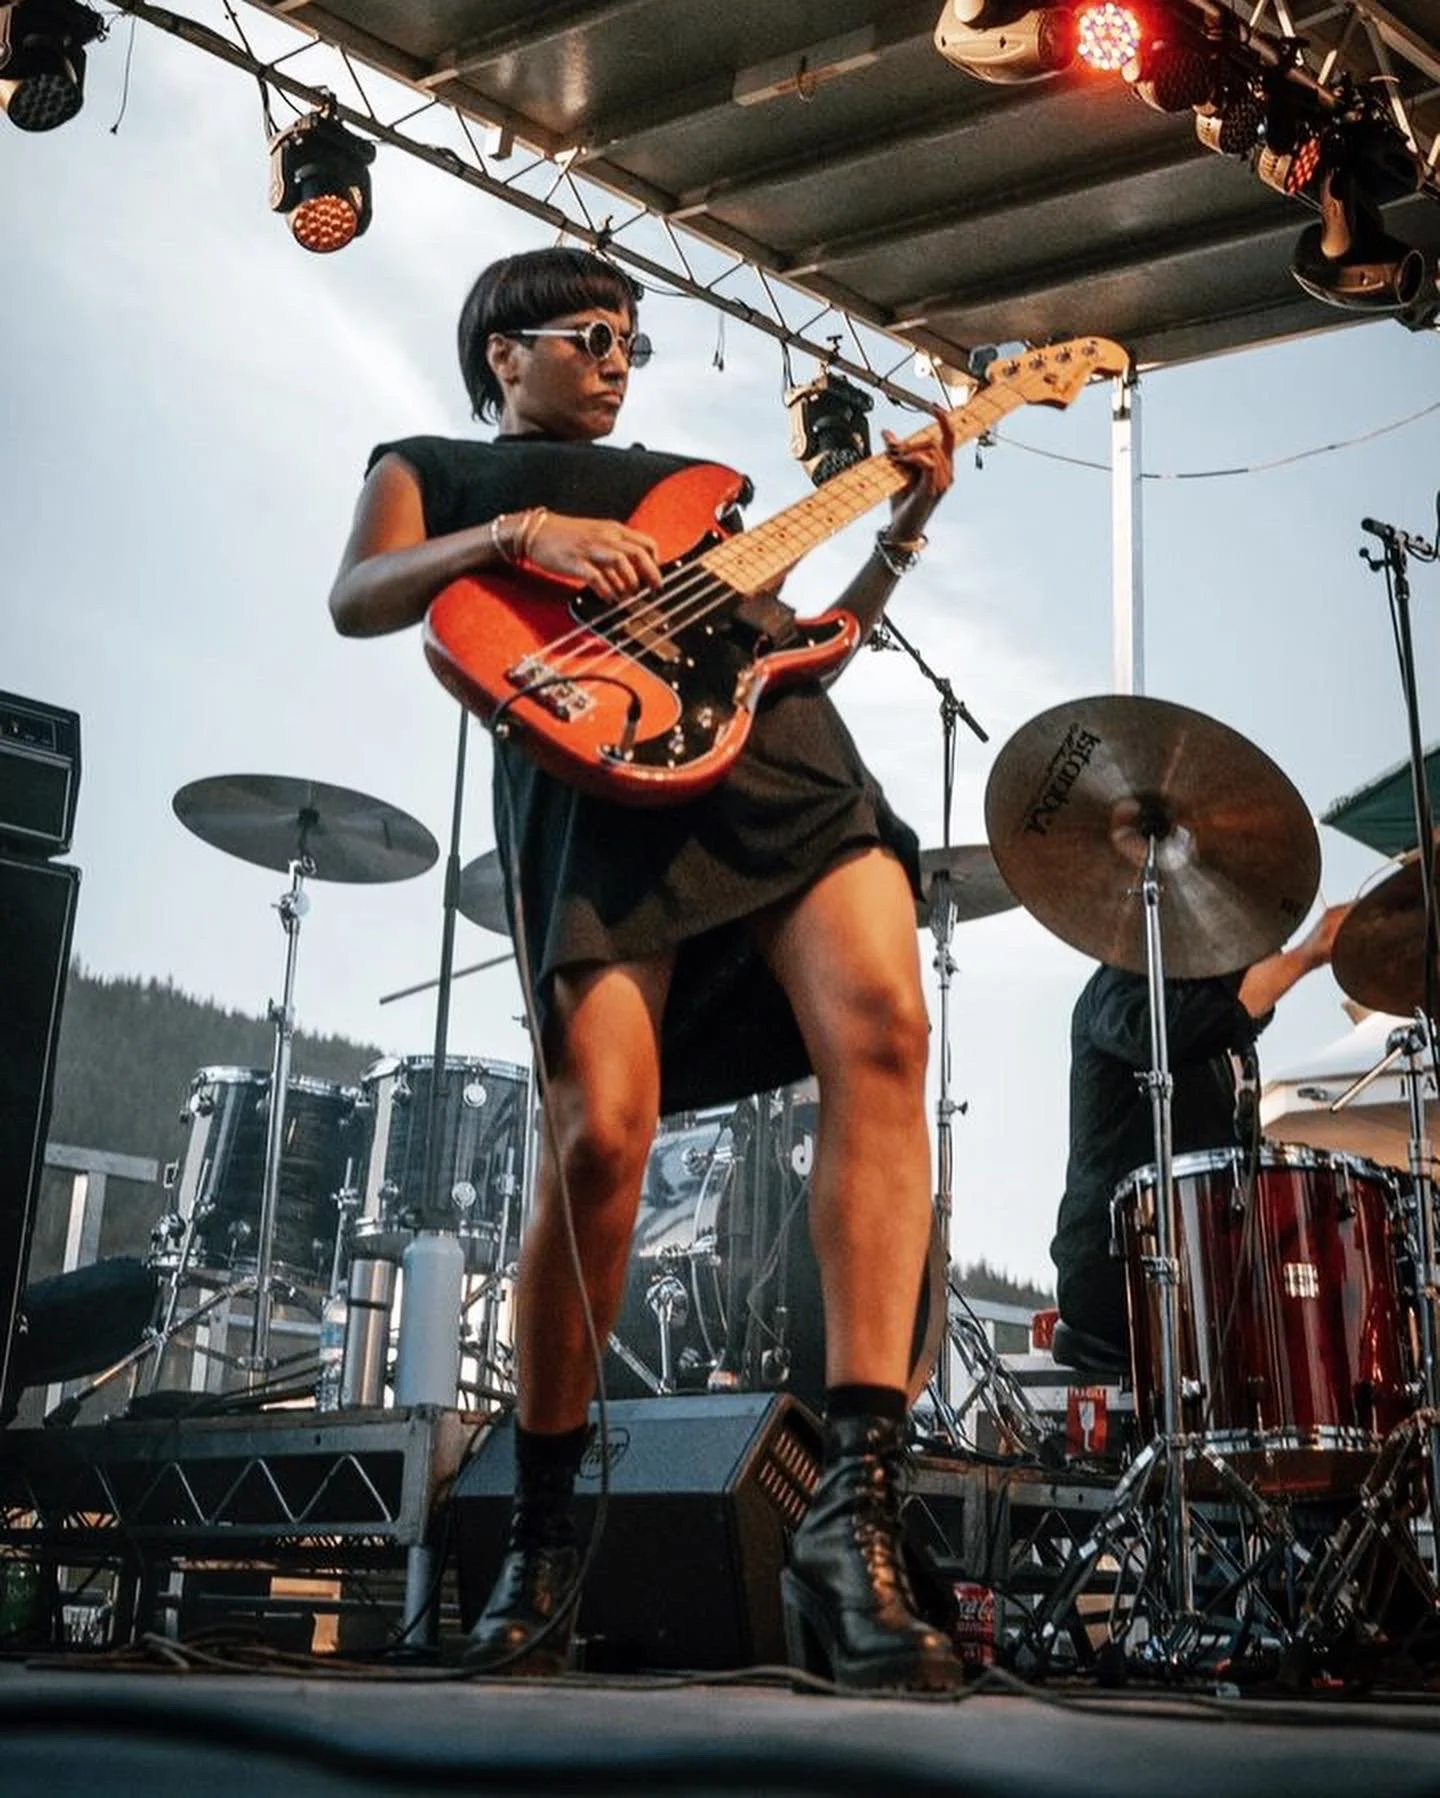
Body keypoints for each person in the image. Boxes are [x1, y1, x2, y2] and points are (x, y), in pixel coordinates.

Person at [328, 246, 964, 1690]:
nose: (619, 361)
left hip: (779, 769)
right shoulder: (431, 466)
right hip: (589, 779)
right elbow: (359, 594)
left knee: (886, 1028)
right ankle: (543, 1537)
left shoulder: (696, 490)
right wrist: (519, 536)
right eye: (593, 336)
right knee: (600, 1137)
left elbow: (781, 655)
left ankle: (853, 1516)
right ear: (504, 352)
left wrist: (900, 534)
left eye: (633, 340)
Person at [1051, 904, 1351, 1358]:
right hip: (1120, 1276)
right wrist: (1306, 956)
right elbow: (1173, 1033)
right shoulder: (1121, 983)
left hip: (1201, 1273)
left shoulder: (1224, 1048)